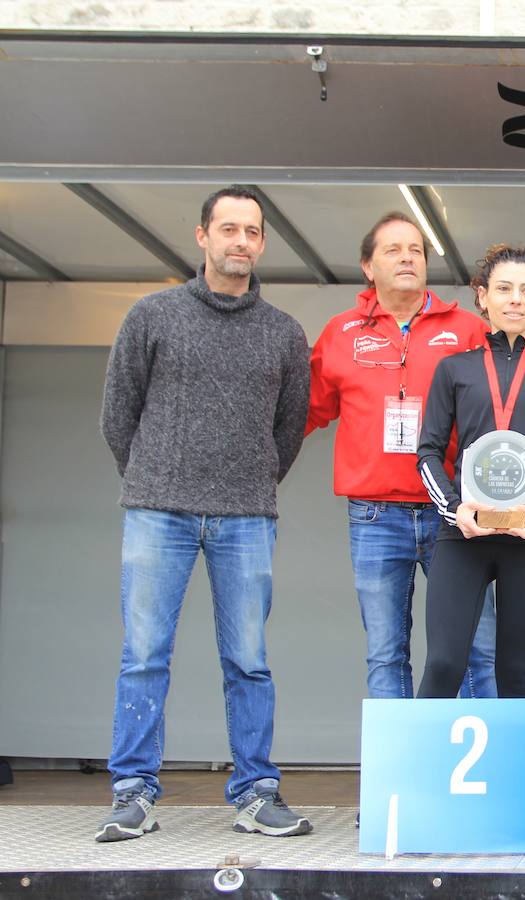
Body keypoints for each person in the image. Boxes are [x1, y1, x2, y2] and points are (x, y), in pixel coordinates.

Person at [97, 185, 312, 841]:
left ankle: (255, 791)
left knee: (248, 659)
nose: (240, 241)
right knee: (143, 655)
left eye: (252, 231)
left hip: (246, 516)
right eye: (228, 229)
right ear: (202, 237)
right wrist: (157, 475)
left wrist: (245, 479)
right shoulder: (151, 316)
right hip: (157, 510)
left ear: (262, 243)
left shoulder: (284, 333)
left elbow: (288, 430)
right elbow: (118, 416)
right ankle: (132, 793)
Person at [306, 212, 498, 703]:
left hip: (455, 513)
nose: (408, 257)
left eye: (416, 249)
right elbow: (306, 411)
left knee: (475, 647)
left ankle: (491, 772)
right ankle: (400, 774)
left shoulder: (468, 330)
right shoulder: (340, 333)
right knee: (386, 652)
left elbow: (500, 415)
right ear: (368, 266)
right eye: (393, 250)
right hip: (373, 516)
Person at [416, 245, 525, 698]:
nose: (515, 299)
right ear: (483, 297)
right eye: (504, 289)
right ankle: (418, 770)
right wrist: (456, 511)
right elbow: (428, 452)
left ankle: (519, 772)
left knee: (516, 670)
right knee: (442, 663)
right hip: (464, 534)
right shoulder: (454, 369)